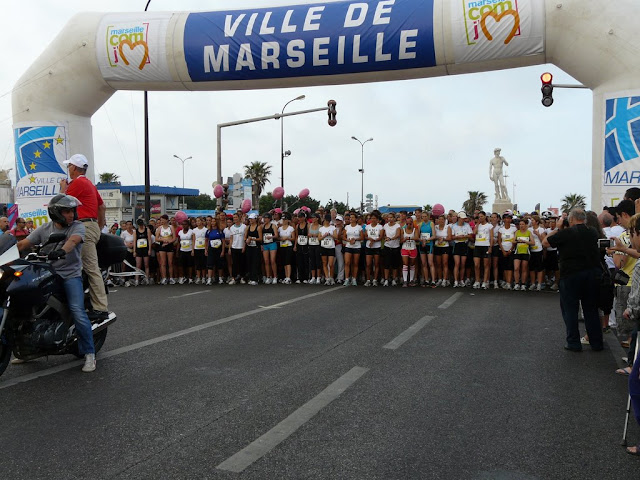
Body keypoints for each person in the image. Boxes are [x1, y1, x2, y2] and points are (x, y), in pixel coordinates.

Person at [16, 194, 96, 372]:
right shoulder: (45, 228)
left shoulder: (78, 227)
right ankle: (26, 348)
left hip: (70, 275)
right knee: (27, 305)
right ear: (56, 212)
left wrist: (60, 251)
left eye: (71, 211)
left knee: (77, 309)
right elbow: (23, 244)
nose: (70, 215)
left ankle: (89, 353)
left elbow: (72, 242)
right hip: (48, 273)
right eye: (66, 211)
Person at [543, 208, 603, 352]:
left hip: (571, 274)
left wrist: (558, 228)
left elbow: (545, 242)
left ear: (570, 219)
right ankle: (596, 342)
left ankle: (573, 342)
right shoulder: (593, 232)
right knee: (591, 309)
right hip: (591, 273)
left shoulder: (565, 233)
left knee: (570, 309)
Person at [59, 154, 108, 319]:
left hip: (82, 226)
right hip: (91, 225)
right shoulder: (89, 184)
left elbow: (61, 203)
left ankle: (100, 308)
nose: (68, 169)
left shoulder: (77, 183)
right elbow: (102, 207)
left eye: (69, 166)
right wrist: (99, 227)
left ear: (74, 167)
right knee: (80, 266)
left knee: (89, 266)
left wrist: (62, 188)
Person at [155, 214, 176, 285]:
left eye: (163, 220)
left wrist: (169, 241)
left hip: (170, 245)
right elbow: (156, 238)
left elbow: (174, 238)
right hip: (162, 246)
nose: (162, 221)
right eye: (161, 220)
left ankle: (171, 278)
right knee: (163, 263)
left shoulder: (171, 227)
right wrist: (163, 240)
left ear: (167, 220)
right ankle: (164, 278)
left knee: (170, 262)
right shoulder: (160, 228)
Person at [133, 218, 152, 285]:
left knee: (146, 264)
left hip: (145, 248)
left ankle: (147, 278)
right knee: (138, 265)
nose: (141, 226)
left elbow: (149, 240)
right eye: (140, 225)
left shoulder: (147, 230)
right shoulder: (135, 231)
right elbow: (134, 241)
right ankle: (137, 279)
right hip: (139, 249)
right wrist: (134, 251)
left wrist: (149, 249)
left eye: (142, 224)